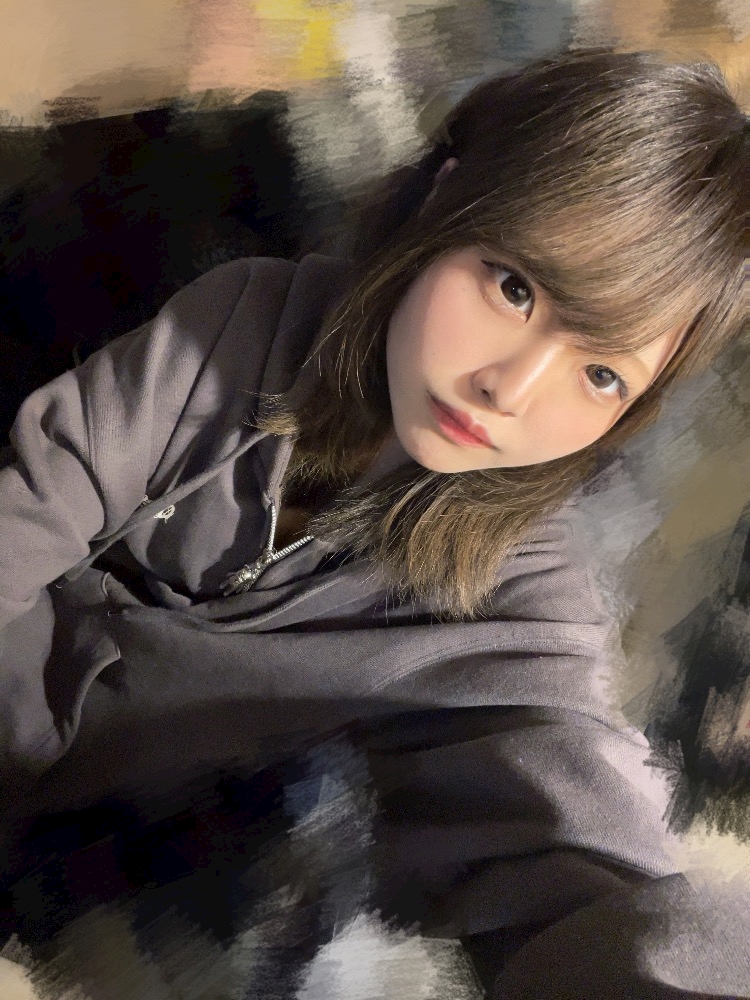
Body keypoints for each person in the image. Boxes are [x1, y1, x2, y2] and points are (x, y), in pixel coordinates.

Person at [0, 49, 747, 997]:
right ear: (444, 200)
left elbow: (567, 846)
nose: (511, 389)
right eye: (514, 287)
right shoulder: (242, 322)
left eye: (601, 373)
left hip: (101, 904)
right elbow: (27, 512)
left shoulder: (521, 604)